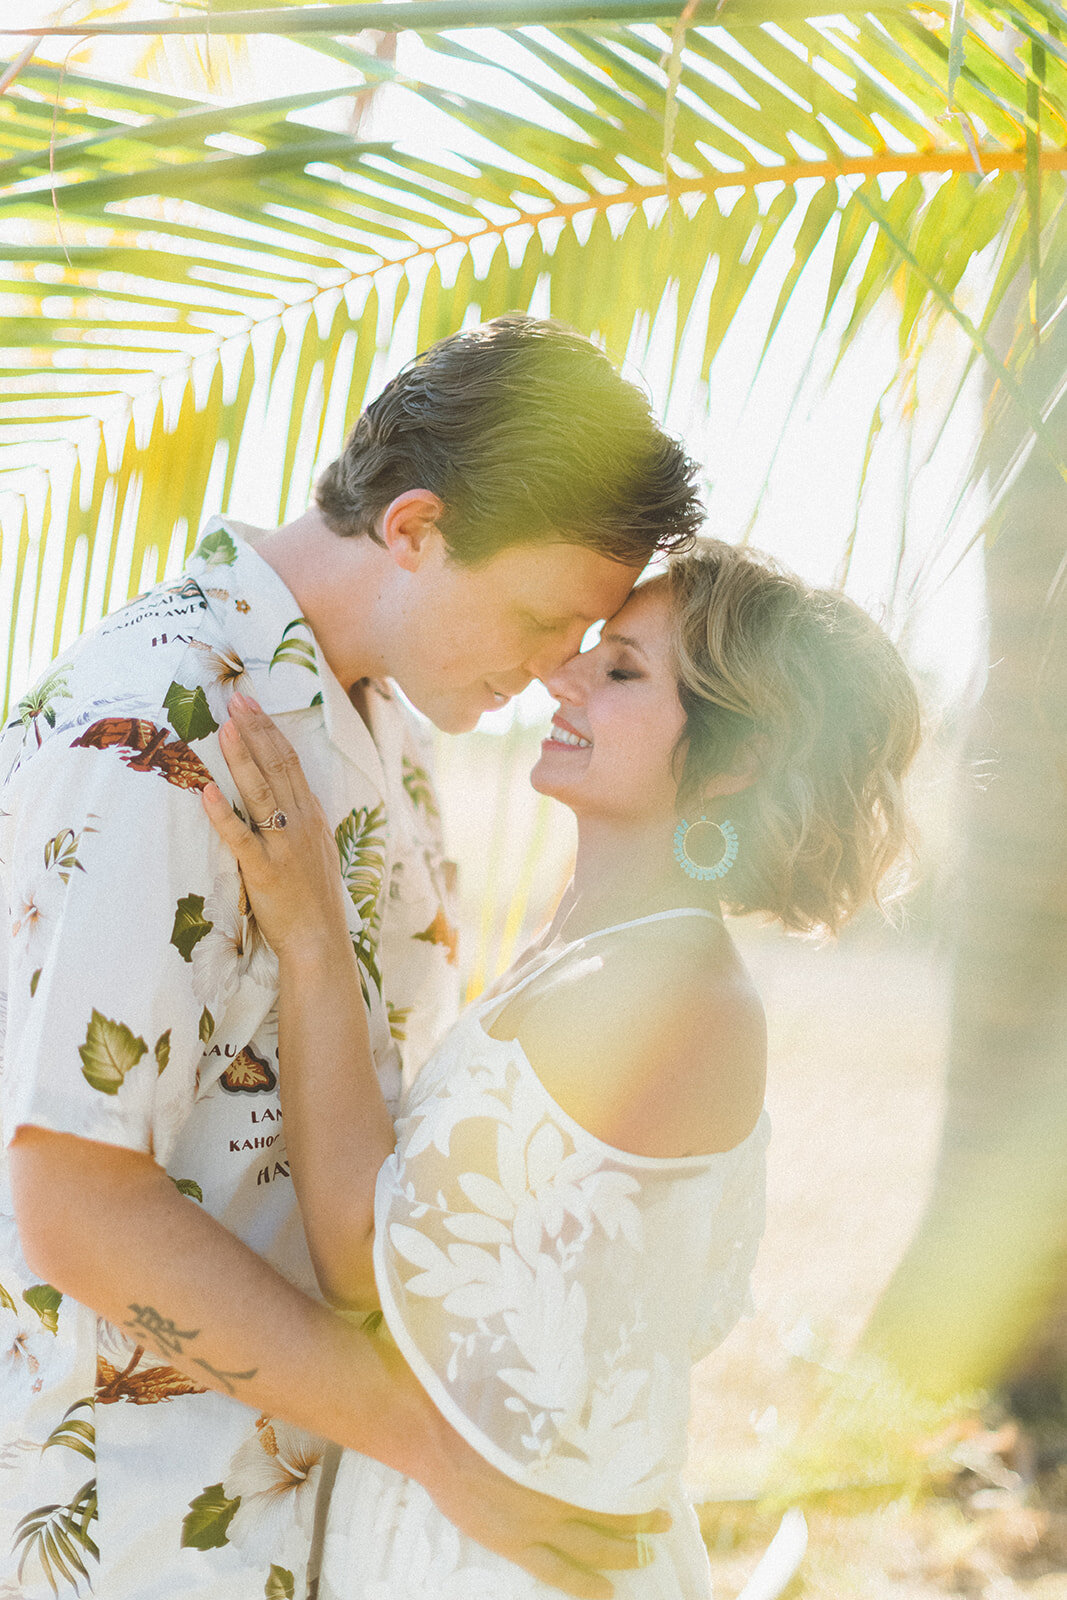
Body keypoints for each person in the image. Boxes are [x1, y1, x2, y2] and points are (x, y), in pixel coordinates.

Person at [0, 314, 703, 1600]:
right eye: (544, 619)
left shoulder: (386, 716)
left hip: (313, 1511)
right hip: (139, 1524)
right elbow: (75, 1201)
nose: (558, 673)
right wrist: (433, 1445)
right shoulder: (156, 738)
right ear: (415, 529)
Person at [200, 539, 923, 1598]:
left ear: (735, 757)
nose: (559, 674)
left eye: (622, 670)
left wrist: (311, 931)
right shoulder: (587, 946)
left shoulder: (667, 992)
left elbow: (361, 1254)